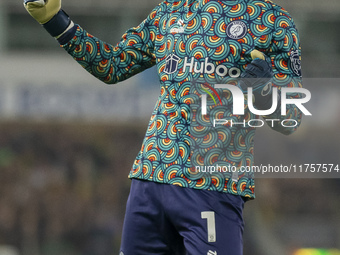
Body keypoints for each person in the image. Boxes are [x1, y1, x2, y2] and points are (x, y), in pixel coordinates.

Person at [24, 0, 303, 254]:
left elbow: (291, 118)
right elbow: (112, 66)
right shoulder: (170, 11)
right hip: (151, 177)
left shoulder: (273, 22)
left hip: (212, 185)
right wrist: (56, 22)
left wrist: (263, 90)